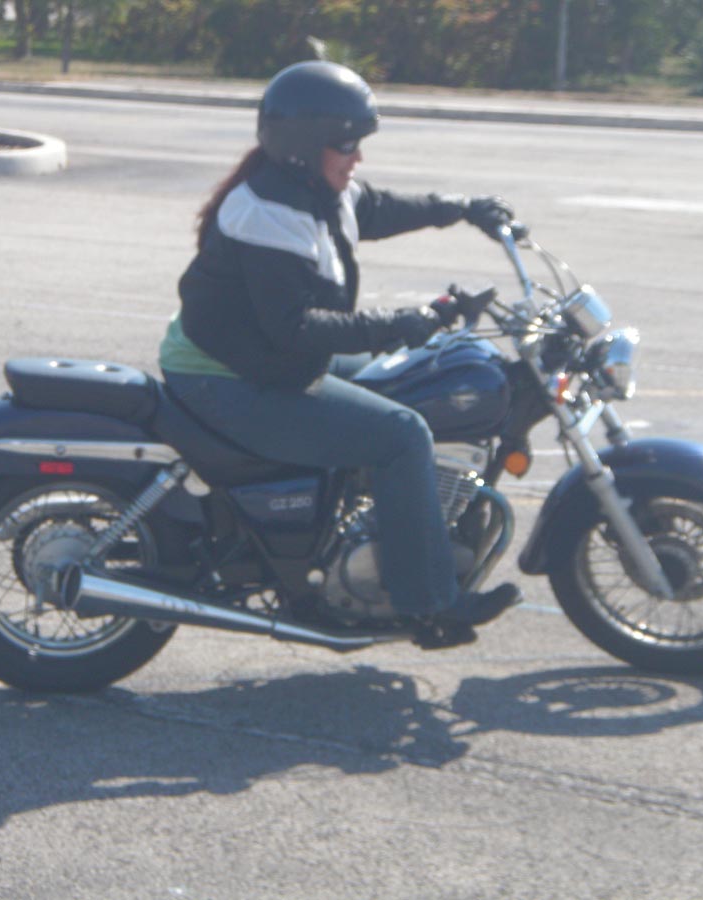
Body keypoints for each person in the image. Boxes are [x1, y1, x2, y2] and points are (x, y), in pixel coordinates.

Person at [159, 60, 520, 647]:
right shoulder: (269, 212)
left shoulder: (317, 190)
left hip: (260, 361)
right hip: (226, 377)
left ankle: (363, 530)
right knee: (402, 434)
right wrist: (399, 323)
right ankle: (429, 603)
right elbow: (295, 328)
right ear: (305, 147)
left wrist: (462, 207)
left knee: (405, 381)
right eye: (347, 144)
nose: (358, 158)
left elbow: (378, 209)